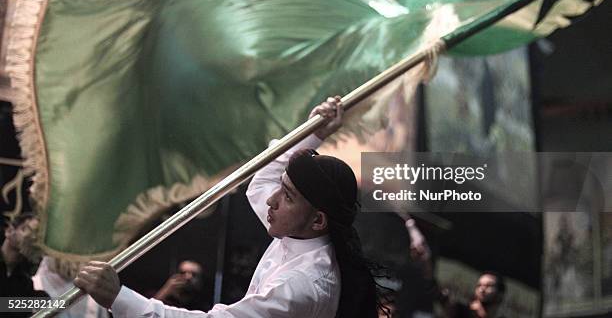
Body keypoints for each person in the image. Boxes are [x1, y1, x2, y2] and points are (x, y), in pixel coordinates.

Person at [75, 96, 387, 317]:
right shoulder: (300, 233)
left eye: (287, 196)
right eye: (282, 188)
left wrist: (118, 298)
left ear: (318, 220)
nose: (271, 199)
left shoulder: (302, 285)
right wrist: (313, 134)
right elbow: (262, 181)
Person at [1, 213, 37, 297]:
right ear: (9, 231)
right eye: (25, 229)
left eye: (36, 234)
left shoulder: (26, 282)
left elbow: (9, 307)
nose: (31, 237)